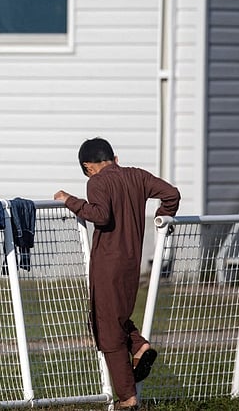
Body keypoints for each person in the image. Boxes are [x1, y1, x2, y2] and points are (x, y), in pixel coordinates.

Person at [54, 137, 180, 410]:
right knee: (117, 317)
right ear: (115, 158)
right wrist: (162, 219)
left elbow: (100, 216)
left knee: (108, 329)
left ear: (88, 167)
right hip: (132, 263)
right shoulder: (137, 176)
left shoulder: (96, 182)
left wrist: (70, 200)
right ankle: (138, 346)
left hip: (107, 264)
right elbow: (172, 194)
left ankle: (127, 399)